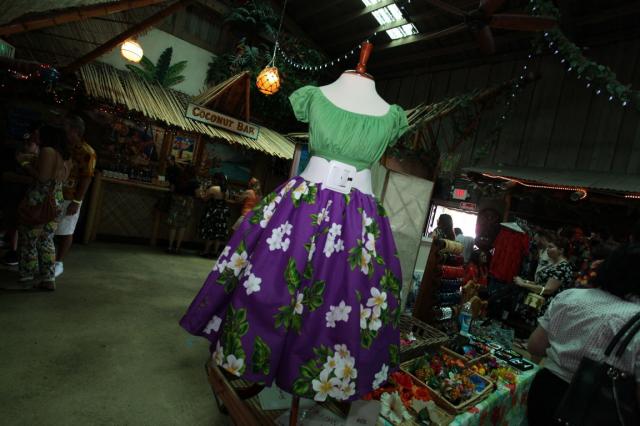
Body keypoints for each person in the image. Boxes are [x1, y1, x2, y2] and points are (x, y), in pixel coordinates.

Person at [180, 63, 409, 403]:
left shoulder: (392, 116)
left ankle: (310, 374)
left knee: (340, 304)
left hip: (357, 223)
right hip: (301, 210)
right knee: (269, 287)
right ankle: (257, 361)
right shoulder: (314, 97)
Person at [526, 243, 640, 426]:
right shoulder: (635, 320)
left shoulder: (570, 296)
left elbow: (535, 346)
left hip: (545, 391)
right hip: (596, 409)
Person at [18, 126, 71, 290]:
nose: (36, 136)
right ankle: (48, 278)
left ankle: (28, 276)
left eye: (38, 134)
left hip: (40, 201)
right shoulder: (66, 156)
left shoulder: (47, 151)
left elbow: (42, 178)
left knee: (29, 239)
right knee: (46, 240)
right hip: (57, 200)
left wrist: (24, 163)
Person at [54, 115, 96, 278]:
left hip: (70, 195)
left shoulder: (87, 152)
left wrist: (77, 201)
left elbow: (87, 178)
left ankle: (58, 262)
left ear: (75, 130)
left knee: (66, 230)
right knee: (50, 229)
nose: (62, 129)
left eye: (65, 126)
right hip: (55, 192)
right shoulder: (62, 146)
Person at [514, 235, 574, 313]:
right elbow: (542, 283)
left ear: (561, 250)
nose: (547, 249)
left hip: (547, 307)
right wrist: (526, 281)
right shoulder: (555, 264)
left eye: (551, 247)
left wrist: (523, 284)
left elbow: (548, 290)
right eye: (548, 247)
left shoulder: (563, 267)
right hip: (538, 302)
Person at [166, 164, 198, 254]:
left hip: (176, 202)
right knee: (182, 226)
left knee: (173, 225)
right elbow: (198, 194)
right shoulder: (194, 182)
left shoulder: (177, 178)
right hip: (187, 204)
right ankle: (177, 248)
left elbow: (172, 189)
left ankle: (169, 247)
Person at [198, 173, 230, 258]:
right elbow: (226, 200)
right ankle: (215, 252)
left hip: (213, 211)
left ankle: (206, 251)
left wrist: (201, 191)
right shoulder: (226, 190)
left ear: (216, 179)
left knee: (210, 232)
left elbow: (205, 199)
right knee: (218, 233)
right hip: (223, 212)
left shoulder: (213, 188)